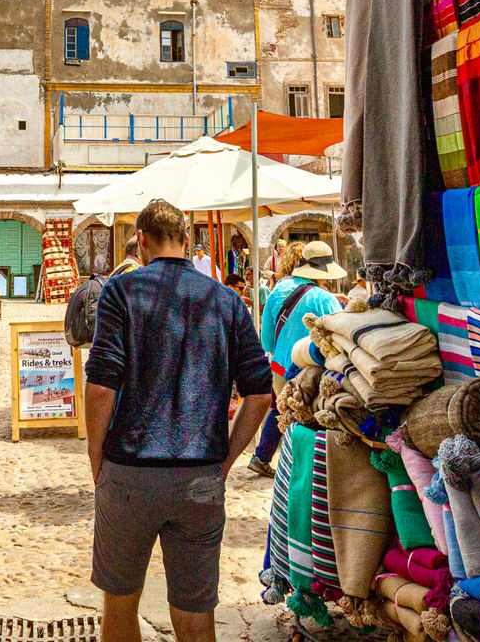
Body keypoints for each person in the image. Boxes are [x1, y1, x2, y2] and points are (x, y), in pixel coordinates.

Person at [85, 200, 274, 642]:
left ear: (143, 242)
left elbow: (100, 387)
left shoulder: (122, 292)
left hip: (130, 470)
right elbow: (261, 394)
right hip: (200, 478)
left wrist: (96, 456)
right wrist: (225, 460)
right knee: (194, 613)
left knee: (120, 605)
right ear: (188, 242)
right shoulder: (226, 300)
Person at [246, 240, 345, 477]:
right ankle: (305, 471)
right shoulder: (324, 298)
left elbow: (267, 339)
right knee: (308, 421)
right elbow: (339, 337)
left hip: (279, 367)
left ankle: (261, 457)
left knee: (280, 411)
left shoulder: (279, 288)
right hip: (310, 372)